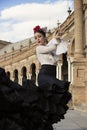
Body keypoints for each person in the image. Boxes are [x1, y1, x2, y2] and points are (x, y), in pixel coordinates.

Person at [0, 25, 71, 130]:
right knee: (56, 93)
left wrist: (57, 37)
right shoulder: (39, 48)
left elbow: (56, 49)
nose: (37, 39)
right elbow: (53, 47)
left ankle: (43, 125)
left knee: (47, 104)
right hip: (44, 76)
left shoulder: (47, 47)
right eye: (36, 38)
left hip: (51, 74)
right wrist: (55, 39)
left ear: (44, 37)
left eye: (39, 37)